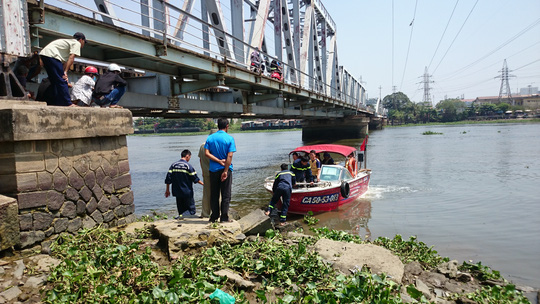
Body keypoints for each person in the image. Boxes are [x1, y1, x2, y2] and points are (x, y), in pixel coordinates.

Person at [39, 32, 86, 106]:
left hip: (45, 55)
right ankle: (67, 103)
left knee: (55, 80)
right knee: (62, 80)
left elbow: (64, 62)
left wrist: (63, 71)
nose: (83, 44)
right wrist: (65, 72)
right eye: (84, 42)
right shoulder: (77, 43)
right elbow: (71, 57)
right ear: (81, 40)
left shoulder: (67, 44)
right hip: (52, 56)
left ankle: (54, 101)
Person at [204, 118, 236, 223]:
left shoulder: (210, 138)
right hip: (226, 169)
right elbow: (230, 155)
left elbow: (206, 154)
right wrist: (226, 170)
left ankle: (214, 217)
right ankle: (224, 217)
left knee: (214, 194)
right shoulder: (230, 139)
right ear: (227, 126)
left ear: (218, 126)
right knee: (226, 194)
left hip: (213, 170)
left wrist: (218, 161)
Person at [165, 149, 203, 218]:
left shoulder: (173, 165)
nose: (189, 159)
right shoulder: (188, 166)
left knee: (181, 210)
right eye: (190, 157)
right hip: (187, 191)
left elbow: (168, 179)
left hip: (176, 191)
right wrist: (203, 184)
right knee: (192, 211)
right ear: (187, 156)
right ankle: (179, 217)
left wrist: (167, 190)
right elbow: (195, 178)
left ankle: (181, 217)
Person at [198, 129, 219, 218]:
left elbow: (200, 159)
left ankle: (205, 213)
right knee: (218, 193)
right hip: (216, 172)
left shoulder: (202, 145)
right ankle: (217, 213)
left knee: (206, 194)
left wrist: (202, 171)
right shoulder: (215, 145)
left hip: (206, 172)